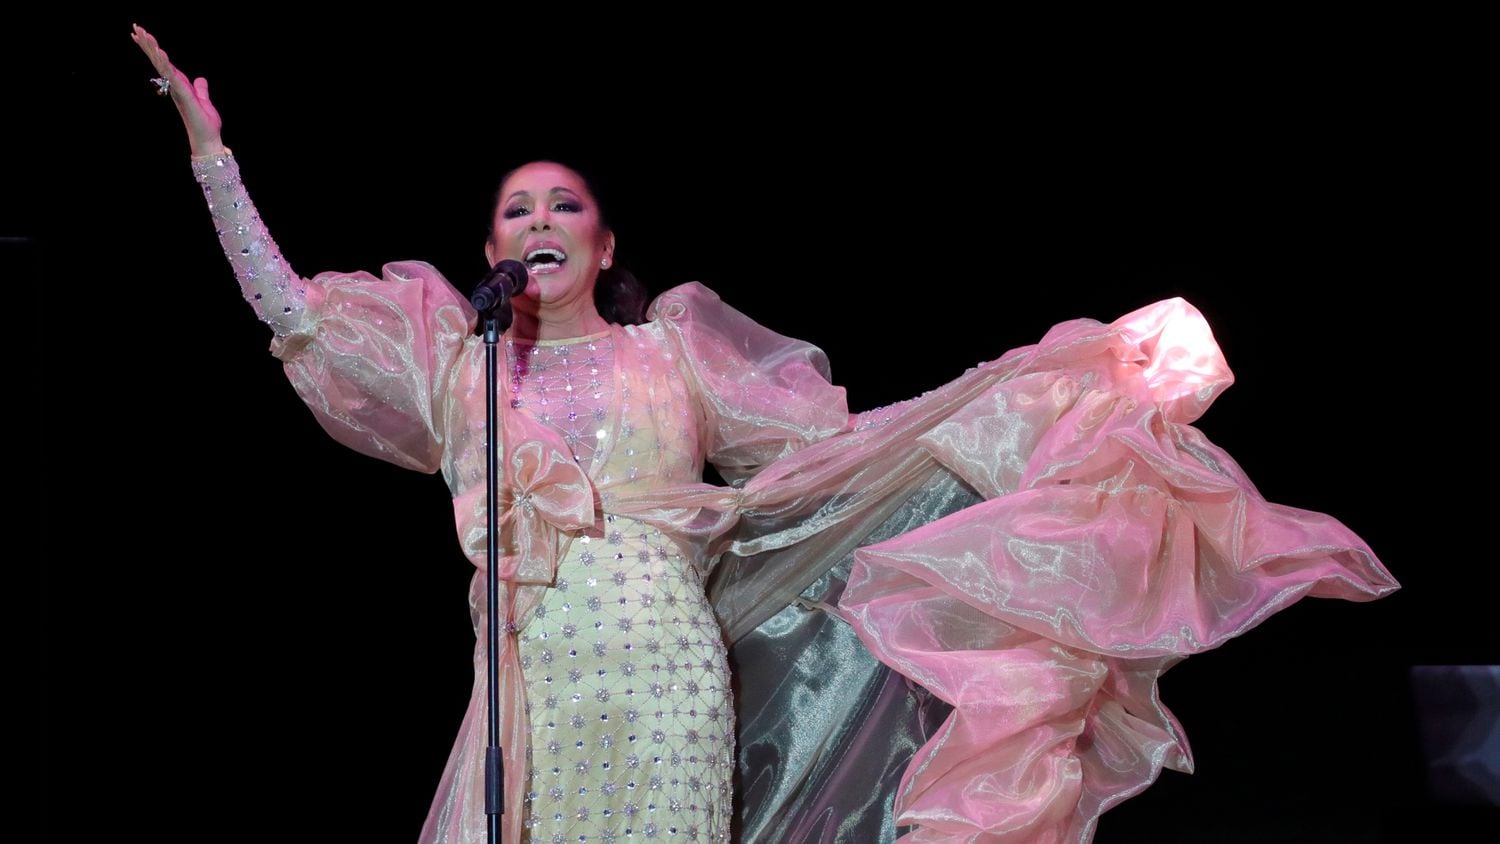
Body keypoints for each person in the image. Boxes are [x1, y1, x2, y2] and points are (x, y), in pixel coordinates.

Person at [133, 24, 1401, 844]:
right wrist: (213, 161)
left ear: (606, 242)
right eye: (516, 207)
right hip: (533, 679)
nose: (541, 218)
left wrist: (998, 389)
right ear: (489, 247)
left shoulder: (670, 351)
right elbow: (295, 314)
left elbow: (836, 450)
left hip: (669, 671)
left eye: (565, 203)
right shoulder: (458, 356)